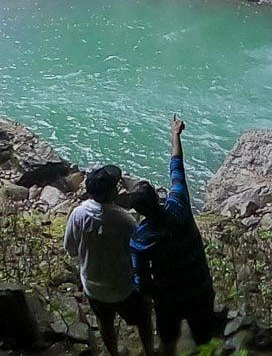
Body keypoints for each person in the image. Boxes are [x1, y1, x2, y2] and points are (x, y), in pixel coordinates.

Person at [129, 119, 219, 354]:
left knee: (167, 342)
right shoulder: (179, 205)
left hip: (168, 298)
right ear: (157, 197)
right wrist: (175, 134)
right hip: (199, 286)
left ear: (139, 211)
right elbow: (176, 167)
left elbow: (140, 279)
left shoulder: (140, 239)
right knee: (205, 339)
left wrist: (152, 294)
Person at [63, 164, 156, 355]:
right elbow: (138, 255)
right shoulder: (125, 220)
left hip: (93, 286)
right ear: (112, 192)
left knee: (104, 322)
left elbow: (70, 249)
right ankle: (149, 351)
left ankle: (113, 353)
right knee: (143, 318)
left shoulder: (78, 215)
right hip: (123, 288)